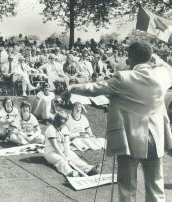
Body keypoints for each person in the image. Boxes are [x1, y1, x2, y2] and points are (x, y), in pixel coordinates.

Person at [67, 41, 172, 202]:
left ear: (130, 58)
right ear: (150, 57)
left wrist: (71, 88)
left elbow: (94, 88)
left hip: (129, 140)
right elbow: (168, 69)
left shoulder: (124, 77)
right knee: (156, 188)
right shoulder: (162, 76)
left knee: (127, 189)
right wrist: (156, 59)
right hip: (156, 138)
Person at [44, 112, 99, 177]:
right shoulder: (51, 129)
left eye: (64, 120)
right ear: (56, 120)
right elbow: (55, 146)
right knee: (61, 160)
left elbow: (66, 143)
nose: (62, 121)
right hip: (51, 153)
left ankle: (89, 169)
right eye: (61, 119)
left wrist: (67, 153)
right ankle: (70, 172)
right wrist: (63, 156)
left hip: (63, 151)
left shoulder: (65, 129)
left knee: (74, 158)